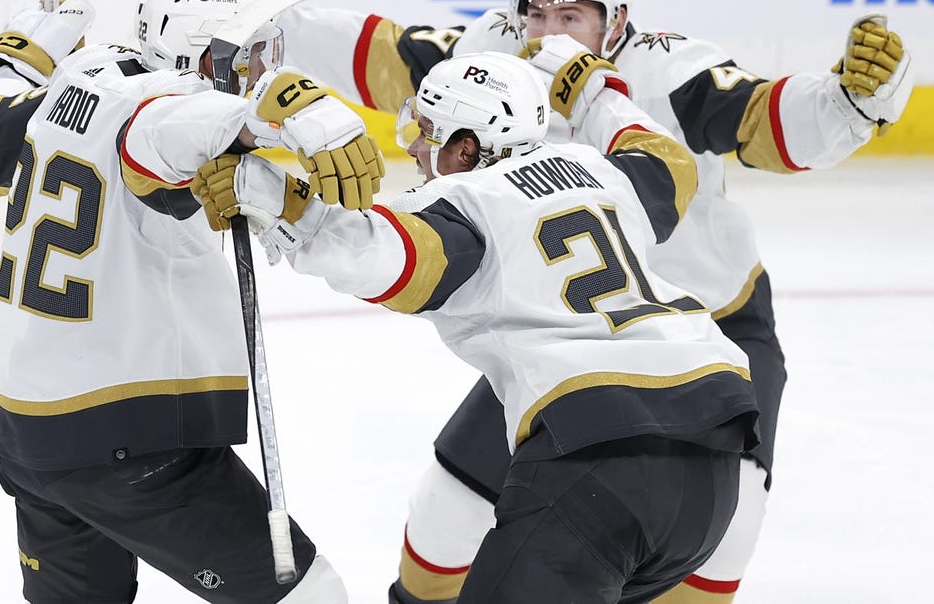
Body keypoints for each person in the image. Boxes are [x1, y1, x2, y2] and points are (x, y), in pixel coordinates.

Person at [267, 0, 914, 603]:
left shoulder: (667, 73)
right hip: (560, 336)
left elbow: (765, 120)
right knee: (448, 504)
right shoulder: (493, 59)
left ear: (618, 24)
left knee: (732, 518)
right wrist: (270, 18)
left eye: (571, 16)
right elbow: (388, 54)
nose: (548, 34)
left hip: (707, 333)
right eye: (537, 13)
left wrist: (848, 104)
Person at [192, 51, 761, 603]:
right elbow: (665, 157)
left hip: (598, 460)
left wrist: (286, 205)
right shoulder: (600, 171)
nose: (414, 147)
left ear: (466, 148)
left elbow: (394, 259)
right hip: (714, 460)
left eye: (430, 133)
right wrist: (594, 93)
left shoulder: (468, 198)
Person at [0, 0, 385, 603]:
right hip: (127, 439)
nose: (262, 68)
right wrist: (279, 113)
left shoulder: (73, 85)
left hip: (24, 426)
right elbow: (177, 130)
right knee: (315, 598)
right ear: (206, 55)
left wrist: (17, 62)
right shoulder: (164, 110)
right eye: (253, 54)